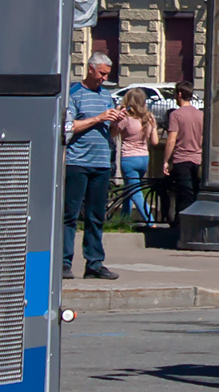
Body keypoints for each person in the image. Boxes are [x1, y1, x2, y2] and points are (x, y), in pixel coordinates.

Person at [64, 54, 121, 280]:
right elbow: (69, 126)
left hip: (101, 163)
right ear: (90, 69)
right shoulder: (74, 94)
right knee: (69, 215)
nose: (104, 78)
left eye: (107, 74)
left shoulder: (106, 96)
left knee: (96, 215)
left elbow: (111, 131)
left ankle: (94, 263)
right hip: (77, 162)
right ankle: (64, 262)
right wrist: (99, 118)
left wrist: (116, 122)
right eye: (101, 73)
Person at [113, 88, 158, 222]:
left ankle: (151, 221)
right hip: (144, 158)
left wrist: (117, 115)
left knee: (135, 192)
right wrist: (154, 127)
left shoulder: (127, 119)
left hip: (129, 158)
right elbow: (155, 142)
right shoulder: (149, 118)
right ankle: (124, 219)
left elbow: (112, 133)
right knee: (129, 188)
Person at [164, 81, 204, 217]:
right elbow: (203, 138)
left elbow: (171, 139)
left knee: (183, 197)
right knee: (194, 194)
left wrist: (165, 160)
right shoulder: (200, 115)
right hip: (197, 160)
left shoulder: (176, 115)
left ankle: (180, 226)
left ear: (179, 94)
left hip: (181, 159)